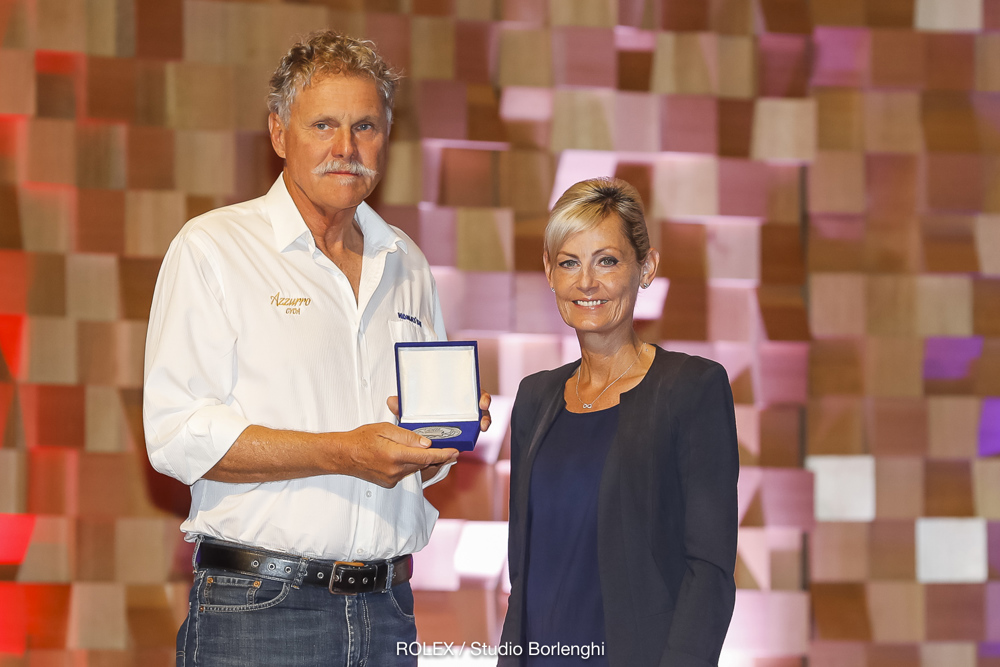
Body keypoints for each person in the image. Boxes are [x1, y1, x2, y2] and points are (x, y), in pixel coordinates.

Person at [143, 31, 490, 667]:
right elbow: (177, 435)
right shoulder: (214, 249)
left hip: (389, 609)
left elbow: (412, 455)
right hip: (259, 610)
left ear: (387, 136)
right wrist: (342, 452)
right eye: (323, 125)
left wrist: (442, 433)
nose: (345, 148)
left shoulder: (406, 262)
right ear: (279, 133)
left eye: (365, 127)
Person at [498, 178, 738, 666]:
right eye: (569, 262)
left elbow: (709, 571)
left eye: (606, 261)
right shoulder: (534, 397)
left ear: (646, 268)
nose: (587, 282)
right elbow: (523, 571)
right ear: (549, 272)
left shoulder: (691, 388)